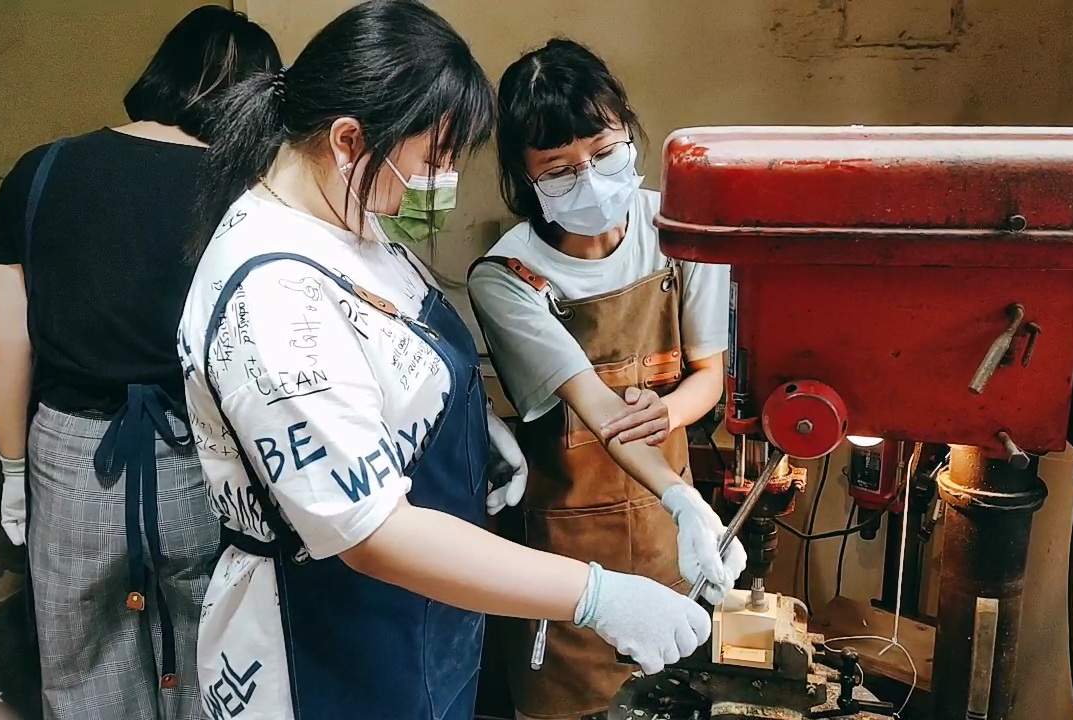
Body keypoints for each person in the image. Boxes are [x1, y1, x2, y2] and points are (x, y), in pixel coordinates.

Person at [177, 3, 731, 719]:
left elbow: (404, 368)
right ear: (350, 140)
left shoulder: (356, 228)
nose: (439, 181)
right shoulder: (276, 297)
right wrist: (595, 594)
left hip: (422, 616)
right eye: (434, 159)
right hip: (331, 634)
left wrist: (472, 429)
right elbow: (373, 535)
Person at [0, 7, 280, 719]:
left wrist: (14, 470)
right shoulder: (247, 194)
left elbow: (1, 342)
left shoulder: (40, 171)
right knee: (213, 651)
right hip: (204, 456)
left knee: (81, 661)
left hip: (72, 457)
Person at [467, 39, 748, 720]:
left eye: (603, 151)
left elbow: (709, 377)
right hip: (567, 556)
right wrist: (686, 498)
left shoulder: (682, 232)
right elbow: (596, 407)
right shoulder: (508, 278)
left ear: (629, 131)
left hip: (669, 539)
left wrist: (674, 423)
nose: (589, 180)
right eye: (559, 170)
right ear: (523, 178)